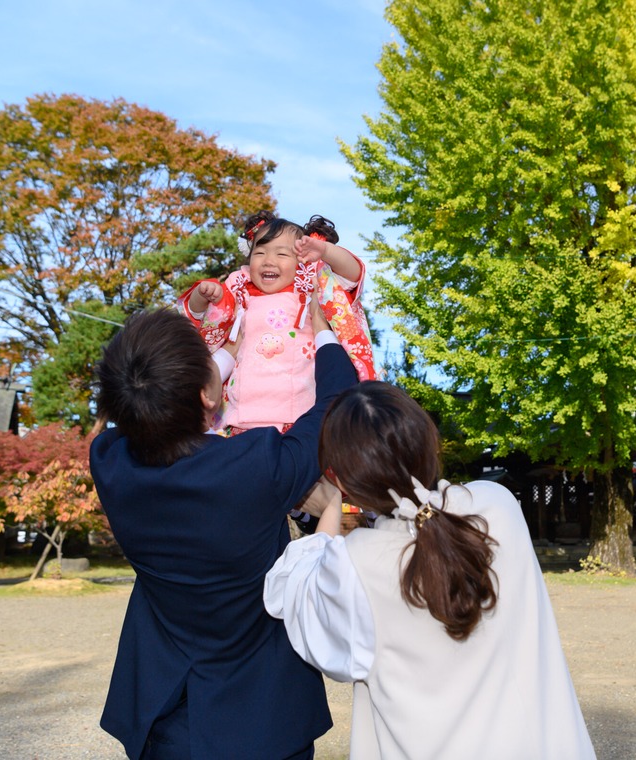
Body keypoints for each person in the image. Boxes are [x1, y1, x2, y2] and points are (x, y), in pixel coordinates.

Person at [264, 382, 596, 759]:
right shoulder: (496, 506)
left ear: (339, 478)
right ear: (430, 443)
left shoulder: (356, 566)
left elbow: (293, 593)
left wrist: (330, 507)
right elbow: (431, 516)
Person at [89, 304, 358, 759]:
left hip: (167, 712)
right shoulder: (256, 467)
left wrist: (226, 356)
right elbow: (336, 402)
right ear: (207, 394)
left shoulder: (110, 461)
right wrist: (324, 334)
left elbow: (157, 404)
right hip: (265, 714)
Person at [178, 211, 376, 434]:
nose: (268, 261)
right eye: (260, 252)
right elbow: (203, 319)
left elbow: (354, 273)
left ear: (302, 261)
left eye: (282, 254)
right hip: (242, 415)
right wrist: (203, 295)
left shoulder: (310, 288)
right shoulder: (241, 294)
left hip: (298, 415)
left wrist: (326, 252)